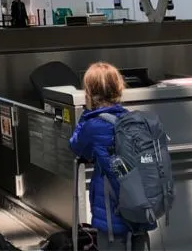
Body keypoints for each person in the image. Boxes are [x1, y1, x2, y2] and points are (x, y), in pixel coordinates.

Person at [69, 62, 153, 251]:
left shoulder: (93, 125)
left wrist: (86, 115)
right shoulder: (134, 120)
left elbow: (77, 146)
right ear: (118, 88)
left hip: (111, 207)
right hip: (139, 206)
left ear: (89, 91)